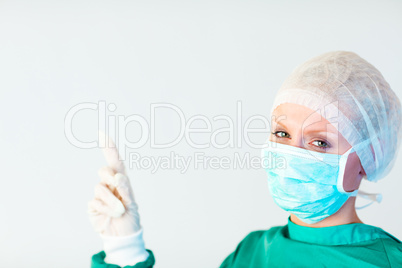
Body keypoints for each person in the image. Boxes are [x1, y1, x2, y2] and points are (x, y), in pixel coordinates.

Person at [88, 51, 402, 267]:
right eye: (281, 134)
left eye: (319, 142)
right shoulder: (251, 254)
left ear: (365, 158)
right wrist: (124, 248)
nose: (292, 154)